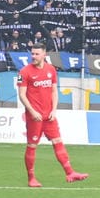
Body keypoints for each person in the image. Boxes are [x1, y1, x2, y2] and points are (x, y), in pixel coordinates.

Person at [17, 44, 85, 187]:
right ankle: (31, 178)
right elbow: (22, 95)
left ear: (44, 54)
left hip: (49, 115)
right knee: (32, 145)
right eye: (32, 54)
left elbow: (54, 91)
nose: (33, 57)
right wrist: (32, 111)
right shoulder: (24, 71)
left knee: (58, 141)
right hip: (34, 116)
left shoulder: (51, 69)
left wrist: (54, 110)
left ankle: (70, 173)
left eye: (36, 54)